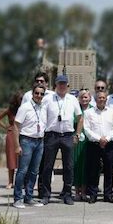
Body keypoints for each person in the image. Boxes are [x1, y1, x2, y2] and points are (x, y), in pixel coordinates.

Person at [40, 74, 83, 206]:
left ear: (68, 86)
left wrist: (77, 134)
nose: (62, 86)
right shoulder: (48, 99)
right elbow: (42, 116)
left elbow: (80, 117)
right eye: (60, 84)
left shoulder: (72, 99)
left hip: (68, 136)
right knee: (47, 166)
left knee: (69, 167)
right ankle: (45, 194)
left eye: (64, 84)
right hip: (51, 135)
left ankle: (67, 194)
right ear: (56, 85)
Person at [12, 85, 47, 208]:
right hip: (26, 141)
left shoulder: (43, 107)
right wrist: (17, 145)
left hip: (39, 141)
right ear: (32, 94)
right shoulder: (25, 107)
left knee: (34, 171)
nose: (39, 96)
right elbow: (16, 126)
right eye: (37, 93)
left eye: (41, 94)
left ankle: (29, 197)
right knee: (22, 171)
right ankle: (17, 198)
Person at [83, 90, 113, 203]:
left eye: (104, 98)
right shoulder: (89, 113)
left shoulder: (112, 112)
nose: (102, 99)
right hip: (94, 144)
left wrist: (106, 139)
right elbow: (87, 129)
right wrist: (99, 139)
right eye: (99, 98)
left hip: (109, 144)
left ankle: (108, 195)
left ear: (106, 99)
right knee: (94, 170)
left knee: (109, 170)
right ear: (96, 99)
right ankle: (93, 195)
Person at [0, 91, 23, 189]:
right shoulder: (10, 110)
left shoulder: (25, 109)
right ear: (16, 100)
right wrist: (6, 127)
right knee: (11, 158)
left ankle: (22, 182)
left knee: (23, 159)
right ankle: (10, 182)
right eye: (20, 99)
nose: (21, 100)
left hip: (23, 133)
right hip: (11, 133)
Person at [74, 89, 93, 202]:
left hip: (89, 140)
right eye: (82, 97)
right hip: (77, 139)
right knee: (77, 165)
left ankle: (84, 192)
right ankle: (76, 192)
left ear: (90, 98)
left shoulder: (93, 109)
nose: (84, 99)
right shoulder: (76, 109)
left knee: (86, 166)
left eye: (86, 97)